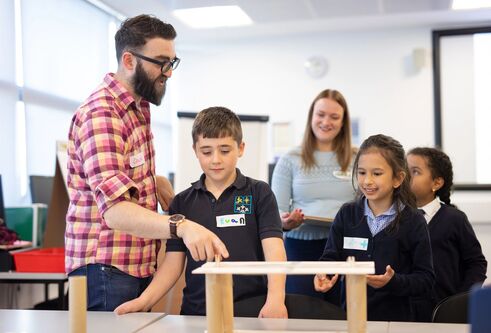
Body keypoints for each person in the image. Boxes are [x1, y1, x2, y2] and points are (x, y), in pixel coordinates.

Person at [65, 15, 228, 311]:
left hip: (133, 267)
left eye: (172, 62)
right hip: (106, 270)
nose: (168, 72)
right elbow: (115, 211)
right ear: (129, 60)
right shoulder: (102, 114)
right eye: (161, 62)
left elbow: (122, 180)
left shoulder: (136, 110)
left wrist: (156, 185)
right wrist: (182, 226)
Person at [114, 107, 288, 318]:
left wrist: (276, 300)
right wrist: (144, 301)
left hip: (251, 310)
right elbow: (172, 264)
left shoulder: (259, 193)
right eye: (206, 151)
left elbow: (275, 252)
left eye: (225, 150)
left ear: (240, 148)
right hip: (197, 313)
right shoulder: (182, 202)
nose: (215, 159)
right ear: (195, 150)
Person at [314, 134, 435, 321]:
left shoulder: (414, 221)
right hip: (352, 319)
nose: (367, 181)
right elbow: (330, 258)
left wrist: (393, 282)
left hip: (396, 322)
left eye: (376, 174)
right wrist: (323, 274)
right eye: (362, 173)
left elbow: (425, 279)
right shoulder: (347, 214)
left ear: (398, 178)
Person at [271, 89, 356, 299]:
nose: (326, 121)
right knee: (302, 314)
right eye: (320, 114)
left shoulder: (358, 158)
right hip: (300, 248)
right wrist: (287, 222)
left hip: (344, 248)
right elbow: (276, 213)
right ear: (311, 117)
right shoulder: (290, 159)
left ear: (344, 122)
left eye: (334, 117)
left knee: (342, 316)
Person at [407, 147, 487, 321]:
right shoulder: (396, 218)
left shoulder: (454, 219)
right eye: (404, 170)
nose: (406, 176)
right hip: (405, 311)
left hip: (443, 311)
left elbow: (476, 263)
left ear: (436, 183)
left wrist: (460, 300)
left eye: (415, 171)